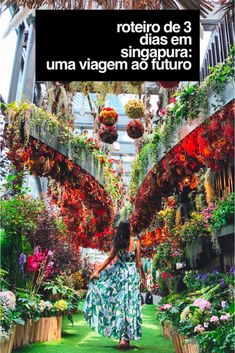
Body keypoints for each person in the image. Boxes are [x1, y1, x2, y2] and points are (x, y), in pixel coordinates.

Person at [83, 220, 146, 350]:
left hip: (119, 275)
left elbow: (109, 258)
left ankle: (122, 338)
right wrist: (143, 277)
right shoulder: (135, 241)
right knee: (130, 305)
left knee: (119, 305)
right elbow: (138, 262)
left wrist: (97, 271)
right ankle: (126, 338)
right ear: (129, 228)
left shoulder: (118, 242)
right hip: (131, 276)